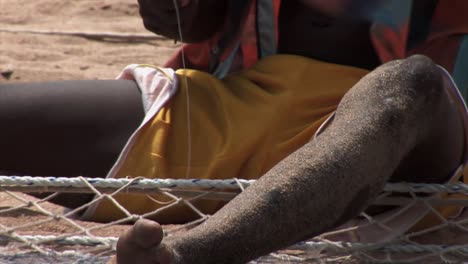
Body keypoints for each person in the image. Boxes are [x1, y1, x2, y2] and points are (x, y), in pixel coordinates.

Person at [0, 0, 466, 263]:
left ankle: (192, 255)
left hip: (409, 145)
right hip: (235, 106)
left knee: (410, 82)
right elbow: (195, 16)